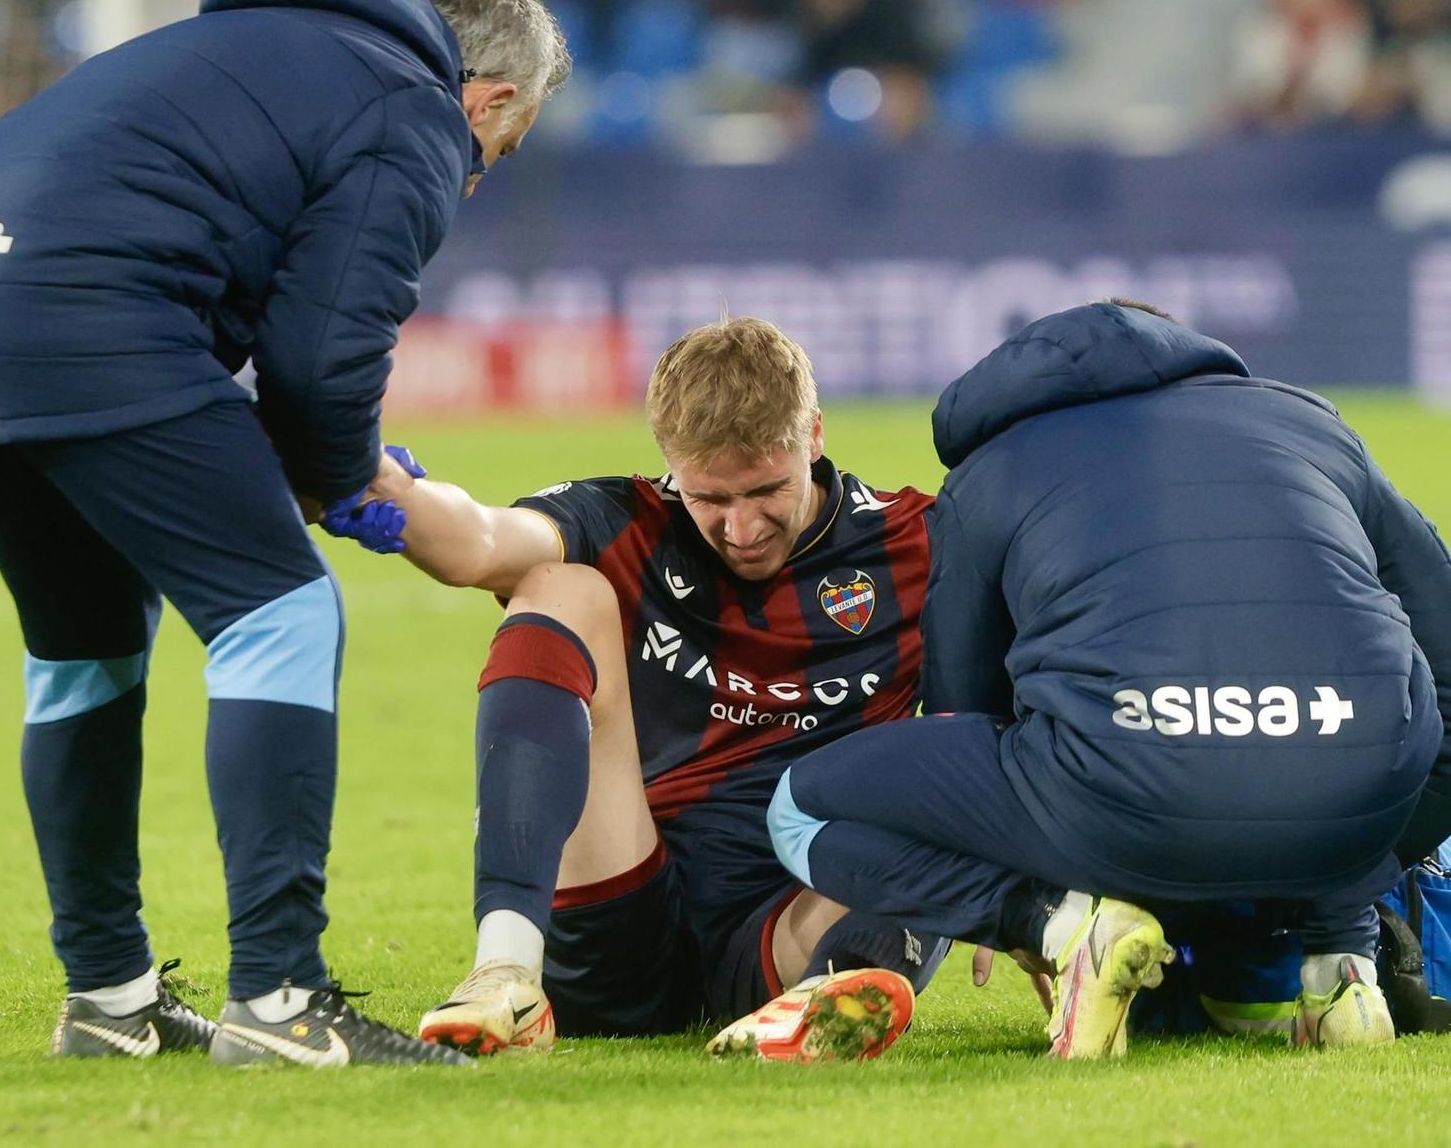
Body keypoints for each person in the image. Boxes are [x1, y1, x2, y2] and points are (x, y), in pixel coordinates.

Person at [0, 0, 569, 1067]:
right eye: (506, 137)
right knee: (278, 613)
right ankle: (283, 1001)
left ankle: (108, 997)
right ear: (485, 95)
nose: (483, 163)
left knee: (83, 641)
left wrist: (306, 465)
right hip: (72, 303)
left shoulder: (259, 37)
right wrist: (346, 484)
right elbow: (321, 353)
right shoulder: (410, 101)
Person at [763, 300, 1451, 1058]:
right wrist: (1362, 857)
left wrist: (1012, 897)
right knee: (1320, 741)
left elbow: (962, 709)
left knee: (800, 809)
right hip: (1355, 794)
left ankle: (1064, 928)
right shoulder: (1317, 428)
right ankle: (1340, 966)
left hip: (1126, 798)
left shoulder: (989, 470)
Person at [327, 317, 948, 1061]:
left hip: (797, 923)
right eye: (710, 497)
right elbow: (483, 541)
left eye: (766, 490)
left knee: (950, 783)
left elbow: (1031, 699)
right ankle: (506, 973)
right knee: (559, 587)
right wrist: (399, 494)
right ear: (669, 462)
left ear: (812, 435)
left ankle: (827, 1000)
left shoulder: (916, 543)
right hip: (622, 906)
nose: (742, 527)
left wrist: (1026, 890)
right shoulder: (627, 521)